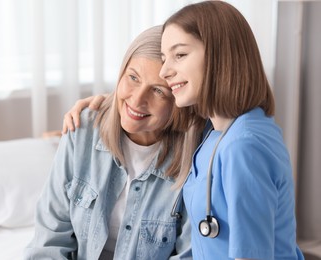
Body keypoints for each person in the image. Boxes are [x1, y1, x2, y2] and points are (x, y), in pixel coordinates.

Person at [63, 1, 304, 259]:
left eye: (179, 55)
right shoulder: (216, 133)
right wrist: (110, 103)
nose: (166, 71)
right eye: (165, 58)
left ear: (219, 55)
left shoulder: (242, 145)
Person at [24, 25, 193, 260]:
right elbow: (49, 241)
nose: (137, 99)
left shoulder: (194, 154)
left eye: (158, 91)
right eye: (133, 77)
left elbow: (190, 253)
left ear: (178, 97)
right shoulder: (82, 129)